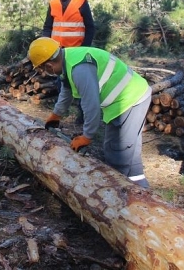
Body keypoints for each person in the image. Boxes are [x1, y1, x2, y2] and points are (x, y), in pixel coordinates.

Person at [28, 37, 151, 188]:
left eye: (41, 69)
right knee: (129, 150)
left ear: (48, 66)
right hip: (131, 96)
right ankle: (142, 190)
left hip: (130, 99)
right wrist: (56, 114)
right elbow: (66, 90)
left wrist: (87, 136)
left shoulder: (80, 69)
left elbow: (91, 105)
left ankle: (120, 196)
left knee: (117, 150)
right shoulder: (67, 58)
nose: (43, 72)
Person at [42, 0, 95, 124]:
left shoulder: (81, 2)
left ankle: (83, 114)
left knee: (81, 84)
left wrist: (85, 49)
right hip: (58, 53)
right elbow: (47, 27)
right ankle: (60, 113)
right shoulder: (53, 4)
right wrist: (45, 46)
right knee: (62, 83)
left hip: (76, 52)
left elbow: (90, 27)